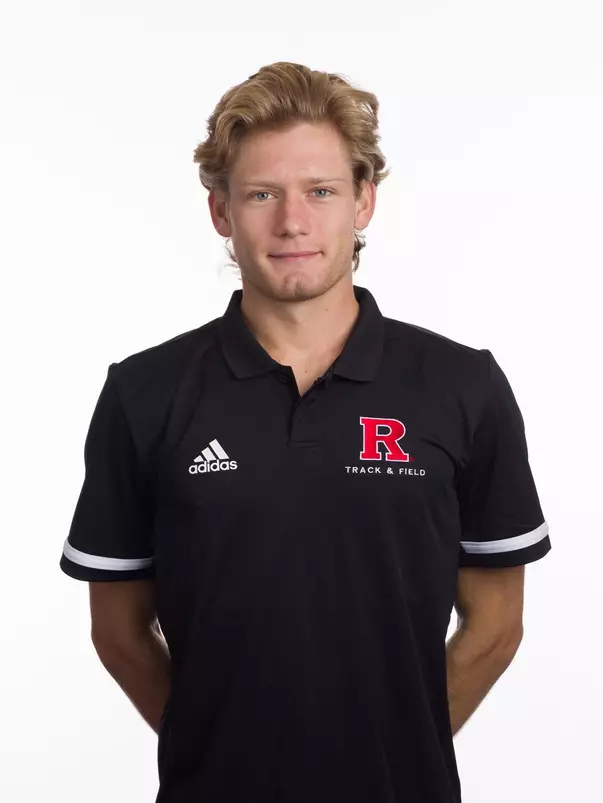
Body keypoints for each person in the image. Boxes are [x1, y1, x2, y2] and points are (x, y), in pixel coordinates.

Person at [60, 61, 552, 803]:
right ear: (221, 212)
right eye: (262, 194)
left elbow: (495, 623)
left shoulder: (462, 386)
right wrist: (214, 748)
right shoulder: (144, 392)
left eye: (320, 191)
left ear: (363, 201)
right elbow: (118, 631)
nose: (292, 221)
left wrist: (392, 747)